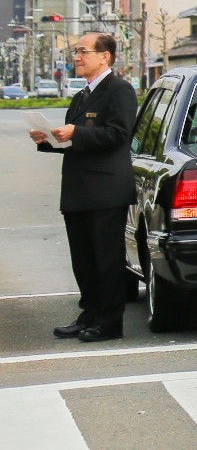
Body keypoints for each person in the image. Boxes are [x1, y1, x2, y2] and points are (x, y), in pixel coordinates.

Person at [29, 32, 138, 342]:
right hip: (78, 191)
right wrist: (49, 141)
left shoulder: (119, 90)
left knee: (107, 259)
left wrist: (76, 131)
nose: (76, 57)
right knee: (84, 260)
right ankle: (89, 313)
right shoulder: (81, 96)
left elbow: (118, 134)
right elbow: (77, 140)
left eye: (82, 51)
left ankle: (109, 322)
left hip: (105, 190)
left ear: (105, 56)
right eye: (75, 52)